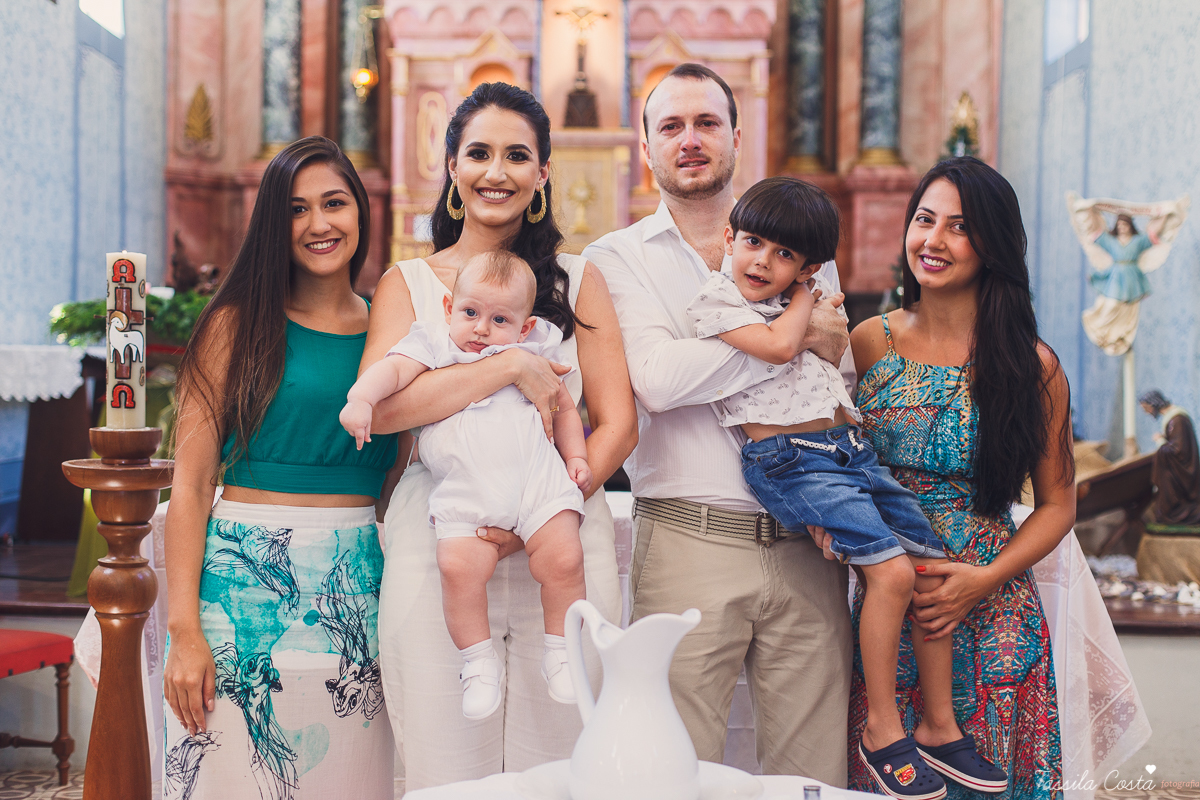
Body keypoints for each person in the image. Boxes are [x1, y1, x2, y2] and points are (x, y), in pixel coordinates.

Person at [687, 176, 1006, 798]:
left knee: (930, 565)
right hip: (790, 460)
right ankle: (884, 730)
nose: (763, 261)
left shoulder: (799, 300)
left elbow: (829, 360)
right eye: (753, 242)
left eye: (785, 255)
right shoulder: (719, 302)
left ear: (805, 263)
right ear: (729, 237)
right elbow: (781, 349)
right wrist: (807, 290)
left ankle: (939, 725)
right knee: (890, 575)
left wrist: (807, 298)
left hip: (847, 451)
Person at [361, 82, 637, 790]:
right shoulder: (412, 284)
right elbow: (387, 413)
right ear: (451, 165)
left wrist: (546, 506)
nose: (496, 171)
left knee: (567, 767)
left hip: (563, 540)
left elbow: (617, 422)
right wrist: (508, 365)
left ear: (543, 173)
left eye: (517, 156)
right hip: (444, 542)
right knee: (445, 767)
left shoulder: (579, 280)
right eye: (478, 153)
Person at [583, 63, 854, 783]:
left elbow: (840, 373)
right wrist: (790, 338)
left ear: (738, 135)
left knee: (812, 776)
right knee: (675, 769)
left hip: (808, 544)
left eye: (706, 123)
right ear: (646, 149)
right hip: (687, 539)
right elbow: (659, 383)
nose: (690, 139)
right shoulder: (616, 259)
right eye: (670, 126)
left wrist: (793, 344)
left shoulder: (796, 242)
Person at [829, 156, 1075, 799]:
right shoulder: (868, 343)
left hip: (992, 611)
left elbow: (1057, 505)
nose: (932, 241)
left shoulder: (1031, 365)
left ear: (992, 244)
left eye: (958, 227)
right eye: (924, 219)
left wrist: (982, 580)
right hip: (887, 606)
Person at [162, 136, 396, 799]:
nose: (319, 224)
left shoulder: (392, 334)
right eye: (297, 209)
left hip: (356, 599)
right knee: (231, 777)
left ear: (360, 213)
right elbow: (190, 485)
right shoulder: (236, 325)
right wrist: (185, 632)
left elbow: (399, 482)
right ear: (274, 223)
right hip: (239, 599)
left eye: (334, 203)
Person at [341, 251, 589, 718]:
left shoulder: (537, 352)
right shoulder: (436, 343)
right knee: (458, 569)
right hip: (466, 490)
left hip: (538, 483)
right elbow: (391, 372)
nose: (480, 328)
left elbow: (564, 406)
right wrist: (361, 398)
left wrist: (575, 458)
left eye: (499, 319)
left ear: (525, 327)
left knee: (565, 558)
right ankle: (477, 663)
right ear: (449, 305)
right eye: (470, 312)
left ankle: (560, 650)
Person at [1139, 389, 1200, 526]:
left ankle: (1182, 514)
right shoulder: (1173, 419)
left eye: (1146, 408)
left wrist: (1160, 441)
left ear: (1154, 404)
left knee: (1171, 501)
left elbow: (1177, 450)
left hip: (1180, 470)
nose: (1146, 412)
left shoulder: (1177, 419)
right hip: (1175, 468)